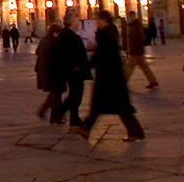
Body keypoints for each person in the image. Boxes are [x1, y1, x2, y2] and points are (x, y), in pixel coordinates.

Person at [77, 11, 145, 142]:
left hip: (108, 77)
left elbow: (101, 54)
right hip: (113, 76)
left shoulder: (104, 35)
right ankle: (135, 132)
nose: (96, 22)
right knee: (118, 107)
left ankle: (86, 128)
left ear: (104, 20)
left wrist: (87, 65)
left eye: (97, 19)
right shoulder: (110, 32)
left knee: (104, 106)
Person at [50, 11, 89, 128]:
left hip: (73, 70)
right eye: (77, 21)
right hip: (74, 71)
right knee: (75, 96)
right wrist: (74, 66)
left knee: (75, 95)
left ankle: (74, 119)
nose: (79, 24)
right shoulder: (68, 36)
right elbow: (66, 54)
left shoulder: (66, 35)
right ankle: (59, 112)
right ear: (71, 22)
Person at [121, 11, 159, 89]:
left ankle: (123, 82)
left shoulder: (136, 26)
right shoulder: (133, 25)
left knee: (129, 67)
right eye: (129, 17)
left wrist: (133, 47)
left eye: (131, 16)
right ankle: (153, 81)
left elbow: (139, 37)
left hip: (135, 50)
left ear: (134, 17)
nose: (130, 18)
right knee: (144, 66)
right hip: (138, 50)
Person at [34, 21, 63, 121]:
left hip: (43, 70)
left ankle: (52, 115)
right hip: (51, 71)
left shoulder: (44, 40)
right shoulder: (53, 41)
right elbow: (52, 58)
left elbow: (37, 52)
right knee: (56, 93)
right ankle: (51, 114)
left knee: (55, 93)